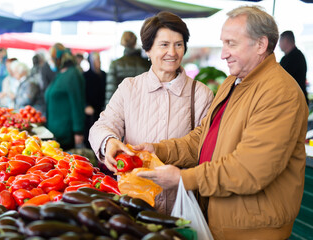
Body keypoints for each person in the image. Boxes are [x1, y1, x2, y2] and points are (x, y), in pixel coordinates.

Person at [127, 6, 308, 240]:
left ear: (261, 45)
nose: (223, 54)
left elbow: (250, 169)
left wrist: (184, 179)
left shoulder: (280, 93)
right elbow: (204, 137)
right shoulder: (233, 82)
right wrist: (158, 149)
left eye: (231, 44)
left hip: (253, 230)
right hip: (220, 221)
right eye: (223, 44)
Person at [89, 11, 214, 215]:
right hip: (134, 199)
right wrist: (108, 141)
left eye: (179, 44)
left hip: (181, 202)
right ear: (147, 49)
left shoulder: (200, 93)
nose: (172, 52)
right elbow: (102, 125)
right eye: (164, 45)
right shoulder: (129, 88)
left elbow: (205, 146)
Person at [45, 43, 85, 150]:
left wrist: (78, 131)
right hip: (54, 132)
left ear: (58, 58)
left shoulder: (72, 74)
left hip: (66, 134)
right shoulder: (60, 74)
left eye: (52, 58)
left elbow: (77, 103)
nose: (51, 61)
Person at [105, 31, 151, 105]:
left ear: (122, 43)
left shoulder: (115, 64)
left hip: (122, 106)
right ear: (135, 42)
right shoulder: (146, 63)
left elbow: (111, 92)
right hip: (143, 105)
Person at [83, 52, 106, 149]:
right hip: (90, 111)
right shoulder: (85, 76)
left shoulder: (104, 74)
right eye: (97, 60)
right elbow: (82, 94)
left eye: (100, 60)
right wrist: (85, 106)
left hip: (102, 110)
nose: (99, 62)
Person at [279, 30, 308, 105]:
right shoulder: (286, 58)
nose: (279, 45)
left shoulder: (296, 57)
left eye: (280, 41)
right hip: (292, 100)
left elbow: (282, 78)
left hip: (296, 101)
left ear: (285, 41)